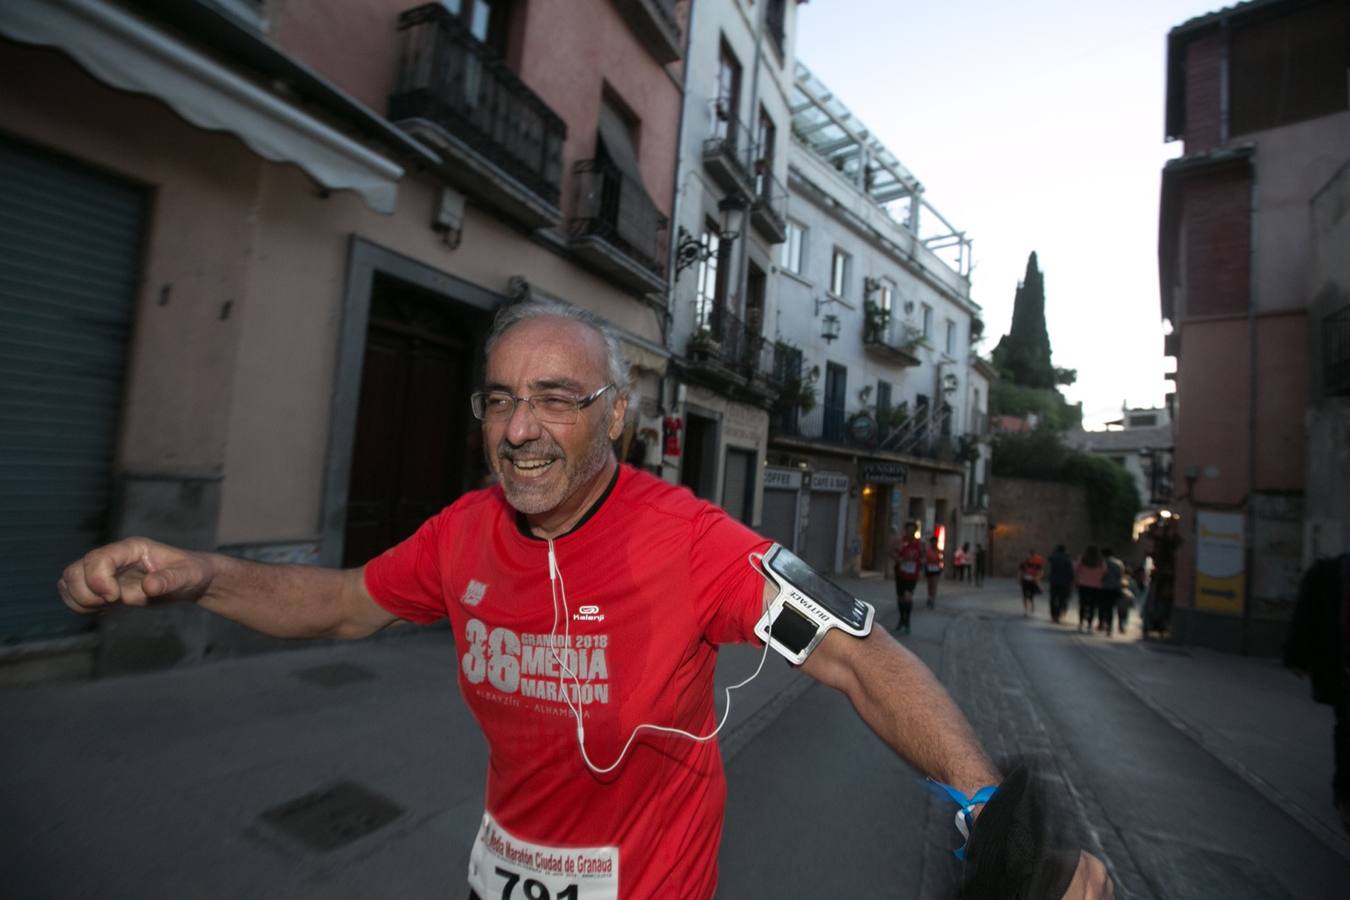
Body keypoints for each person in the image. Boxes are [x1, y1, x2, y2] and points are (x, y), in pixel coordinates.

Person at [56, 300, 1114, 900]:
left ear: (615, 417)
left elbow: (855, 654)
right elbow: (337, 604)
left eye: (557, 400)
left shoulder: (692, 541)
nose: (521, 428)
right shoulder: (462, 533)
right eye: (503, 400)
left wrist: (992, 808)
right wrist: (203, 575)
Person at [1283, 553, 1350, 834]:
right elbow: (1308, 615)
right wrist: (1298, 655)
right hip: (1344, 667)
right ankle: (1345, 793)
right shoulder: (1332, 573)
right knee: (1347, 726)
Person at [889, 522, 924, 634]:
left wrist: (921, 563)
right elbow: (891, 552)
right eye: (908, 530)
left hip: (912, 575)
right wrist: (898, 559)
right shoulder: (900, 542)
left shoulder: (919, 544)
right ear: (905, 530)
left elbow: (924, 557)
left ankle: (907, 621)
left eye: (912, 531)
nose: (910, 533)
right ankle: (901, 619)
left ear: (915, 531)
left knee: (908, 597)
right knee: (900, 598)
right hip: (900, 573)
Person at [1074, 546, 1105, 633]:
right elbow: (1104, 571)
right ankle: (1089, 624)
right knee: (1092, 606)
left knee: (1082, 604)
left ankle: (1080, 623)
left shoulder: (1083, 559)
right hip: (1096, 586)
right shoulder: (1100, 561)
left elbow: (1076, 568)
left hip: (1083, 584)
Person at [1098, 548, 1125, 638]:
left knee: (1102, 606)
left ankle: (1101, 623)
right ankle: (1109, 626)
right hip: (1115, 588)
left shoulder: (1103, 563)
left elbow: (1101, 575)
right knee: (1110, 608)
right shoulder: (1119, 563)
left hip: (1104, 587)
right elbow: (1121, 576)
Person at [1046, 544, 1075, 624]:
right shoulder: (1067, 558)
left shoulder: (1054, 557)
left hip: (1054, 581)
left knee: (1053, 598)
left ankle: (1053, 614)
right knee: (1062, 599)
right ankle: (1058, 615)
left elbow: (1050, 558)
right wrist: (1072, 580)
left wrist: (1054, 552)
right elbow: (1070, 571)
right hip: (1064, 582)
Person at [1017, 549, 1044, 617]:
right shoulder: (1023, 563)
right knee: (1025, 596)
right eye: (1030, 556)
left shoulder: (1036, 563)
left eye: (1032, 556)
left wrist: (1037, 578)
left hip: (1032, 581)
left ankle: (1031, 607)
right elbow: (1020, 571)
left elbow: (1041, 572)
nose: (1030, 557)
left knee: (1031, 596)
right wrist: (1019, 579)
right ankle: (1026, 610)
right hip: (1025, 581)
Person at [924, 535, 945, 608]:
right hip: (929, 569)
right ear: (930, 543)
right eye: (932, 542)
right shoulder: (928, 551)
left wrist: (941, 567)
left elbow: (942, 560)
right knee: (930, 584)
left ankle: (932, 599)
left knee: (934, 584)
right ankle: (929, 597)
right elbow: (925, 560)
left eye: (935, 542)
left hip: (936, 569)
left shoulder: (939, 551)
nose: (934, 543)